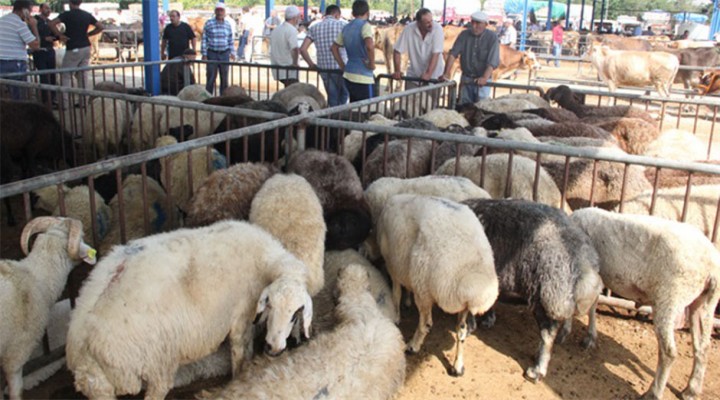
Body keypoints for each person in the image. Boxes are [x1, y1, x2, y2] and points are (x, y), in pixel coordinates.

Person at [49, 0, 104, 106]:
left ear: (70, 3)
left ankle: (64, 103)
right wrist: (89, 34)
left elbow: (51, 24)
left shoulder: (67, 15)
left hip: (73, 48)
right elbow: (100, 27)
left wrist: (60, 35)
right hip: (86, 47)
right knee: (82, 75)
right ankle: (83, 102)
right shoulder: (87, 15)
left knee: (66, 75)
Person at [440, 10, 499, 105]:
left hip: (482, 81)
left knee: (481, 108)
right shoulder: (464, 35)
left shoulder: (492, 37)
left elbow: (492, 60)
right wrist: (446, 73)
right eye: (473, 22)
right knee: (464, 107)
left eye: (478, 23)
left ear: (485, 24)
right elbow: (453, 54)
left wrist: (484, 77)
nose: (474, 26)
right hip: (466, 78)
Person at [299, 5, 348, 106]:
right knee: (345, 94)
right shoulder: (344, 26)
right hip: (341, 68)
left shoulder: (314, 27)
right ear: (337, 14)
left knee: (332, 96)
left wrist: (311, 64)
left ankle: (332, 117)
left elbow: (303, 49)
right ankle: (341, 116)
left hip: (324, 69)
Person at [331, 0, 376, 102]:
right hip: (364, 75)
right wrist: (372, 64)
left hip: (349, 73)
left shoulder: (346, 27)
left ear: (353, 13)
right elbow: (369, 46)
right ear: (367, 13)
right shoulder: (365, 26)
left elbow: (333, 48)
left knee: (354, 107)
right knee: (368, 109)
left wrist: (343, 66)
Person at [392, 8, 444, 91]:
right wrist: (397, 71)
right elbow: (397, 51)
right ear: (419, 23)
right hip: (414, 76)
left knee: (430, 103)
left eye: (431, 21)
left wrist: (428, 74)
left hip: (434, 77)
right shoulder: (409, 29)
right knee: (409, 102)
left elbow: (436, 54)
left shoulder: (438, 29)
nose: (431, 24)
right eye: (427, 23)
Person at [0, 0, 39, 100]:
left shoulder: (2, 20)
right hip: (15, 63)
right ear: (24, 10)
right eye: (29, 11)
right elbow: (35, 45)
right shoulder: (19, 24)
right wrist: (34, 26)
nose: (30, 14)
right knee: (18, 97)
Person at [201, 2, 235, 95]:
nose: (220, 12)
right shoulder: (209, 23)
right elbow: (204, 39)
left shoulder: (228, 24)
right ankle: (208, 97)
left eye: (222, 10)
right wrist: (204, 53)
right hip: (212, 53)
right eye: (218, 10)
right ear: (215, 11)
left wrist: (232, 52)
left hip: (224, 53)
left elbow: (230, 39)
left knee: (224, 78)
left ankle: (223, 98)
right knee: (211, 77)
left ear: (224, 12)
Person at [269, 5, 300, 87]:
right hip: (289, 68)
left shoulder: (276, 29)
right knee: (293, 92)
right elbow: (295, 49)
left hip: (277, 67)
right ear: (295, 17)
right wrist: (295, 63)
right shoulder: (292, 30)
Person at [33, 3, 57, 105]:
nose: (48, 10)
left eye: (49, 8)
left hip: (50, 50)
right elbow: (31, 36)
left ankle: (52, 99)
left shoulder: (50, 22)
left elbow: (55, 35)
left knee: (52, 76)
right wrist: (44, 39)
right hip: (40, 51)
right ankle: (45, 100)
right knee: (43, 76)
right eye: (46, 8)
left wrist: (58, 36)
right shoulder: (34, 21)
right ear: (40, 9)